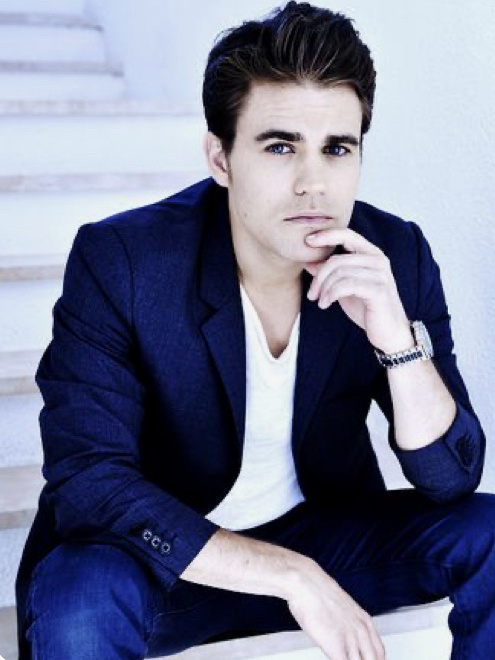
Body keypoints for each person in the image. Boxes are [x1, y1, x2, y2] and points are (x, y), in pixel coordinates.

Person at [15, 2, 492, 659]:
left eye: (336, 149)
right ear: (221, 158)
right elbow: (91, 482)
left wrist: (396, 342)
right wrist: (289, 575)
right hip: (160, 561)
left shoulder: (391, 256)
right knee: (79, 604)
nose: (312, 184)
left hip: (324, 538)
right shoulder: (124, 261)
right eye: (279, 147)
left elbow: (450, 479)